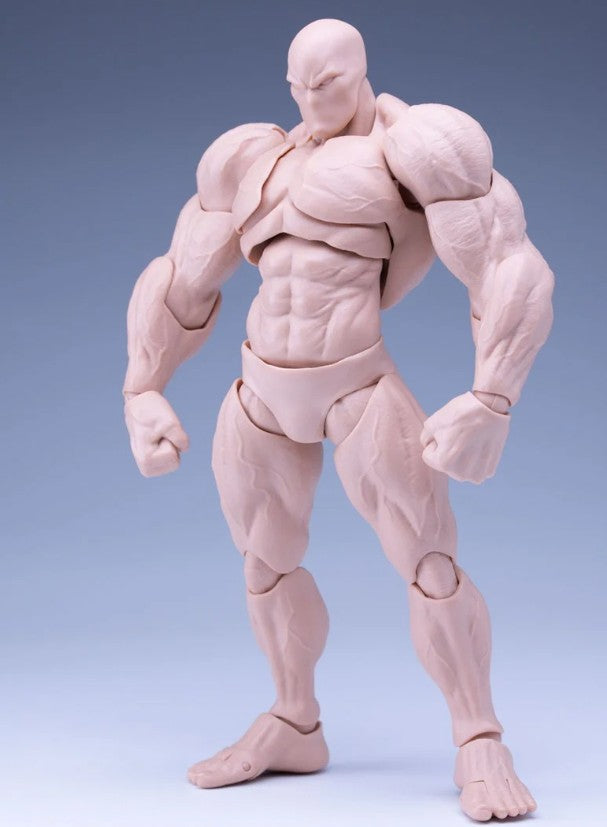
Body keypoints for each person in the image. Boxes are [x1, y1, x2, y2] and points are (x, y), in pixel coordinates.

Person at [123, 18, 553, 822]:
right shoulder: (249, 157)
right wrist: (142, 387)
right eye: (297, 85)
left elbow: (507, 263)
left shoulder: (417, 145)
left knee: (428, 561)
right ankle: (295, 721)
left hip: (357, 385)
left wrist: (492, 396)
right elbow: (183, 276)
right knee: (264, 562)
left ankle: (478, 736)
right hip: (260, 388)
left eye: (326, 84)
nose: (309, 99)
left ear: (359, 73)